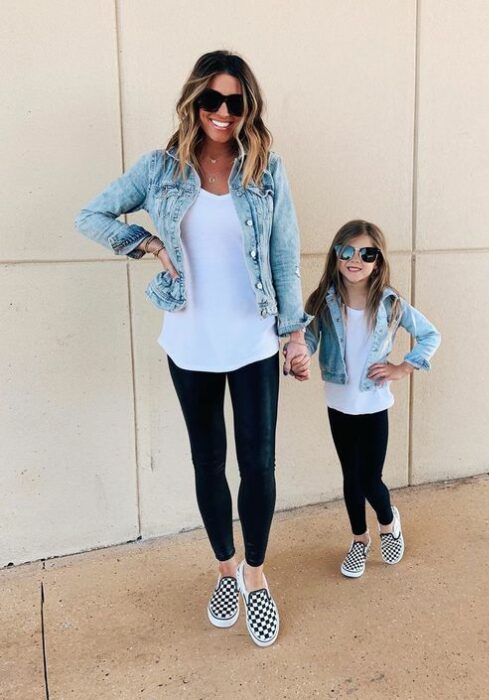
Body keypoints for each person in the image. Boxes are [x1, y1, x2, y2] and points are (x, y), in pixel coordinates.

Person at [75, 50, 312, 647]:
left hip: (254, 341)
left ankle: (256, 576)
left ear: (247, 106)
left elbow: (284, 255)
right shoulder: (160, 169)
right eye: (213, 100)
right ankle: (225, 570)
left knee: (258, 465)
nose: (223, 112)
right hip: (189, 342)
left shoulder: (266, 169)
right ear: (194, 102)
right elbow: (92, 215)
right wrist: (147, 244)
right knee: (208, 462)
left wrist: (294, 333)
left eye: (235, 101)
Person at [304, 220, 440, 577]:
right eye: (346, 251)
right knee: (350, 476)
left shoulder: (391, 303)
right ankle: (359, 540)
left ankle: (387, 521)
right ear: (335, 255)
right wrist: (297, 355)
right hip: (338, 402)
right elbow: (308, 340)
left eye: (367, 253)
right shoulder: (321, 301)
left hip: (374, 404)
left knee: (370, 479)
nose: (355, 260)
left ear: (378, 261)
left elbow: (429, 335)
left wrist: (403, 368)